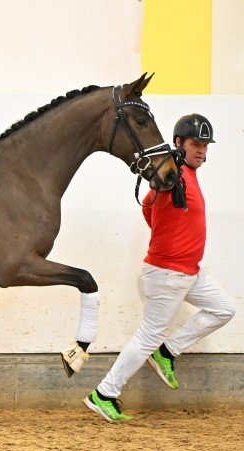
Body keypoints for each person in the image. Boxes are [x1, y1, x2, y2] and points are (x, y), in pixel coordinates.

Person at [83, 114, 236, 422]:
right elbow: (152, 199)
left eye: (206, 146)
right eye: (196, 144)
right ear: (178, 142)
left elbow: (151, 212)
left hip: (189, 272)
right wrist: (169, 244)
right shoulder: (172, 173)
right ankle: (104, 393)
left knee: (224, 309)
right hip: (168, 274)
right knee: (146, 337)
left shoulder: (190, 173)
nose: (202, 151)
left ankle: (167, 352)